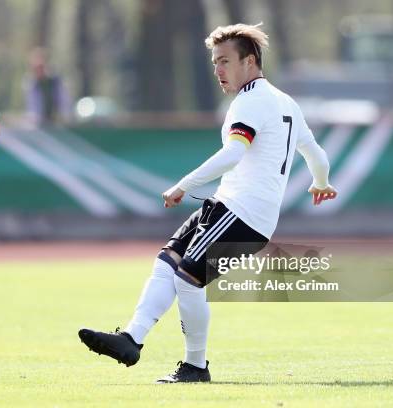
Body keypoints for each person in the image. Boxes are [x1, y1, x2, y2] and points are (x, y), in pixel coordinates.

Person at [78, 23, 337, 383]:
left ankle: (195, 366)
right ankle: (131, 339)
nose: (218, 70)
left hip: (241, 213)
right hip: (232, 209)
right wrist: (321, 183)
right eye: (215, 62)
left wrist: (184, 184)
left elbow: (233, 153)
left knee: (188, 277)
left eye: (225, 61)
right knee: (168, 263)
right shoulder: (285, 102)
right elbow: (317, 155)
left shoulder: (251, 101)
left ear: (250, 61)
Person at [24, 47, 71, 126]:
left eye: (40, 66)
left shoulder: (55, 81)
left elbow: (63, 101)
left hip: (55, 123)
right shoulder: (31, 84)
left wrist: (64, 115)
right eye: (36, 68)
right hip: (38, 124)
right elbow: (32, 107)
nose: (38, 70)